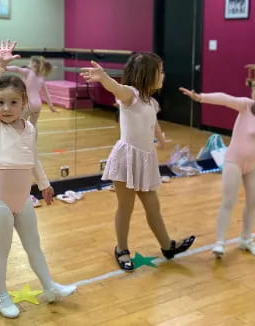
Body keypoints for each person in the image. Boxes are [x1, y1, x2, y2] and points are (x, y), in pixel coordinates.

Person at [0, 40, 75, 319]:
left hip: (23, 200)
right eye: (0, 103)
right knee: (2, 251)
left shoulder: (29, 128)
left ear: (24, 104)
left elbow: (33, 159)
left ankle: (50, 287)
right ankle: (0, 295)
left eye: (13, 102)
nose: (6, 108)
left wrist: (44, 184)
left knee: (34, 246)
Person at [80, 53, 195, 272]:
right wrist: (103, 77)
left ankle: (167, 246)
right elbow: (117, 88)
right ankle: (121, 249)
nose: (163, 75)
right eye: (159, 71)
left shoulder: (151, 102)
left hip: (146, 160)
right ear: (146, 74)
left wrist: (161, 138)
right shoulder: (130, 95)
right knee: (126, 207)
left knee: (154, 207)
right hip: (127, 159)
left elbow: (153, 122)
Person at [180, 74, 255, 258]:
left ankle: (245, 239)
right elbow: (226, 99)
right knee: (229, 202)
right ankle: (220, 242)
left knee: (253, 203)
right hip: (233, 161)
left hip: (254, 166)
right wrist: (201, 97)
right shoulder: (247, 105)